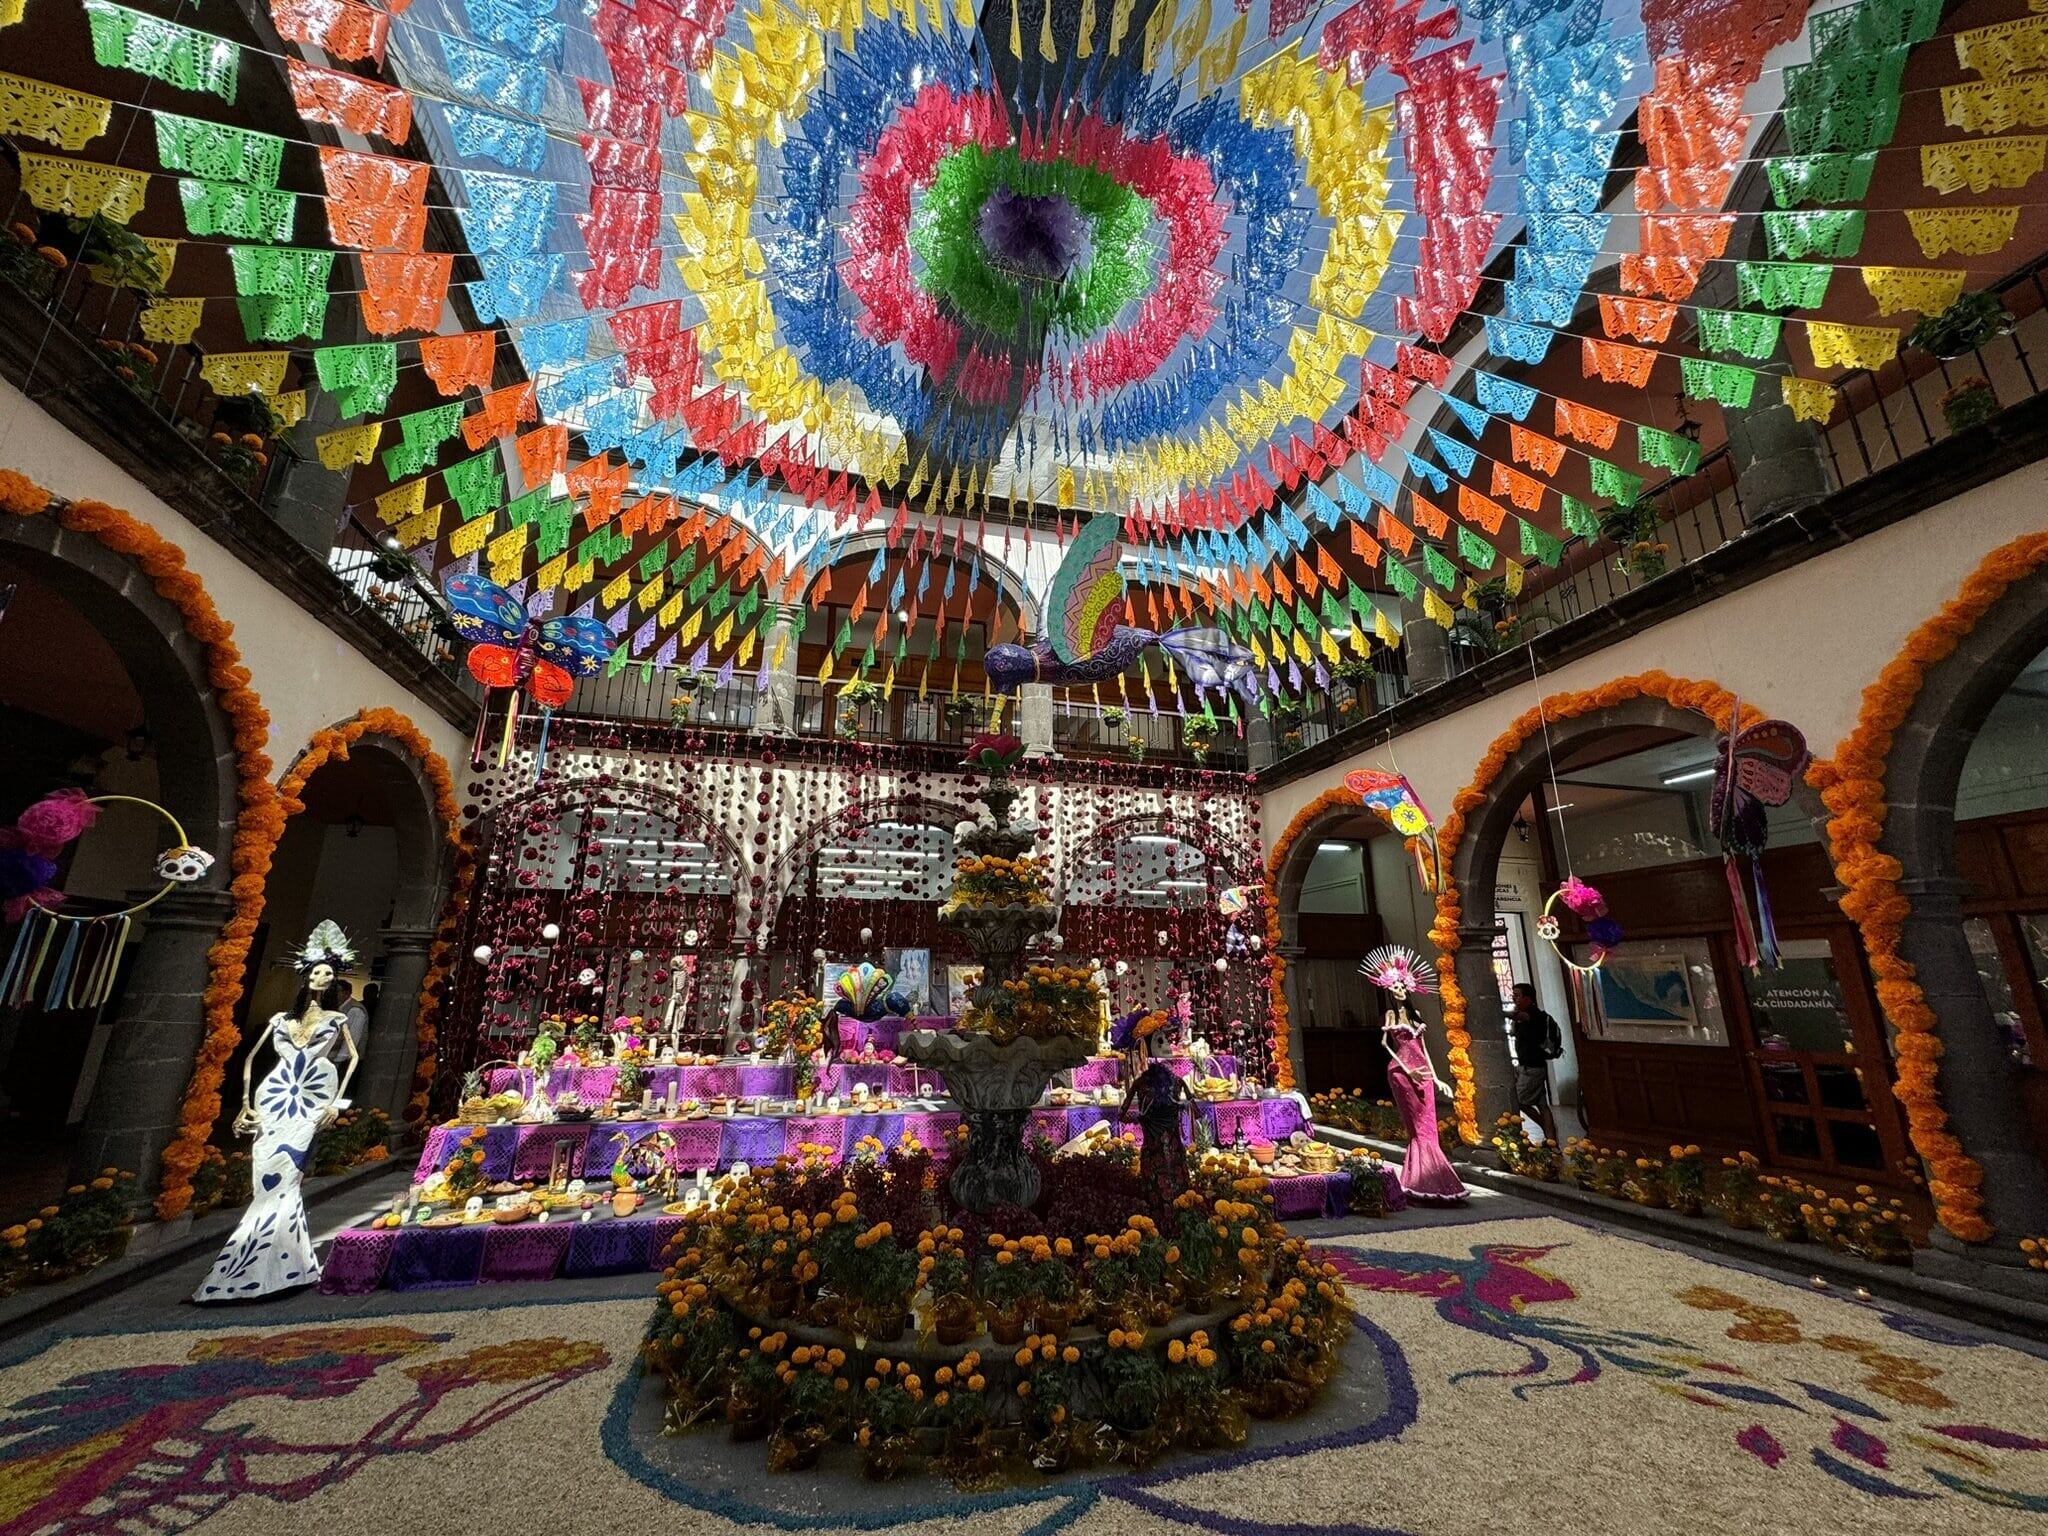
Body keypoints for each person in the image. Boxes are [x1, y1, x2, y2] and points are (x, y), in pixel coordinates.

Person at [194, 921, 360, 1302]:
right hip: (275, 1097)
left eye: (328, 974)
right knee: (265, 1176)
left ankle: (262, 1265)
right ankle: (287, 1264)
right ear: (306, 976)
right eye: (316, 973)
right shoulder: (282, 1020)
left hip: (312, 1097)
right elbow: (251, 1058)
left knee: (288, 1176)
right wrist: (245, 1104)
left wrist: (336, 1103)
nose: (321, 978)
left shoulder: (337, 1020)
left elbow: (351, 1059)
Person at [1359, 946, 1467, 1204]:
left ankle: (1436, 1178)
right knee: (1417, 1127)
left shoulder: (1416, 1015)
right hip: (1402, 1071)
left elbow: (1424, 1048)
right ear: (1390, 990)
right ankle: (1417, 1179)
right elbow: (1386, 1045)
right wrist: (1406, 1069)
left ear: (1408, 988)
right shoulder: (1390, 1015)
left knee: (1429, 1125)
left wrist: (1436, 1077)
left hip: (1423, 1071)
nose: (1399, 991)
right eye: (1395, 987)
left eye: (1402, 987)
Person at [1509, 982, 1563, 1146]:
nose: (1513, 998)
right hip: (1531, 1065)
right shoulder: (1524, 1016)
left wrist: (1501, 1012)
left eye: (1517, 995)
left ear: (1528, 998)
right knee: (1542, 1104)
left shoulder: (1533, 1014)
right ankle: (1552, 1140)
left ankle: (1547, 1129)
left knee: (1520, 1101)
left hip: (1532, 1068)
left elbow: (1521, 1018)